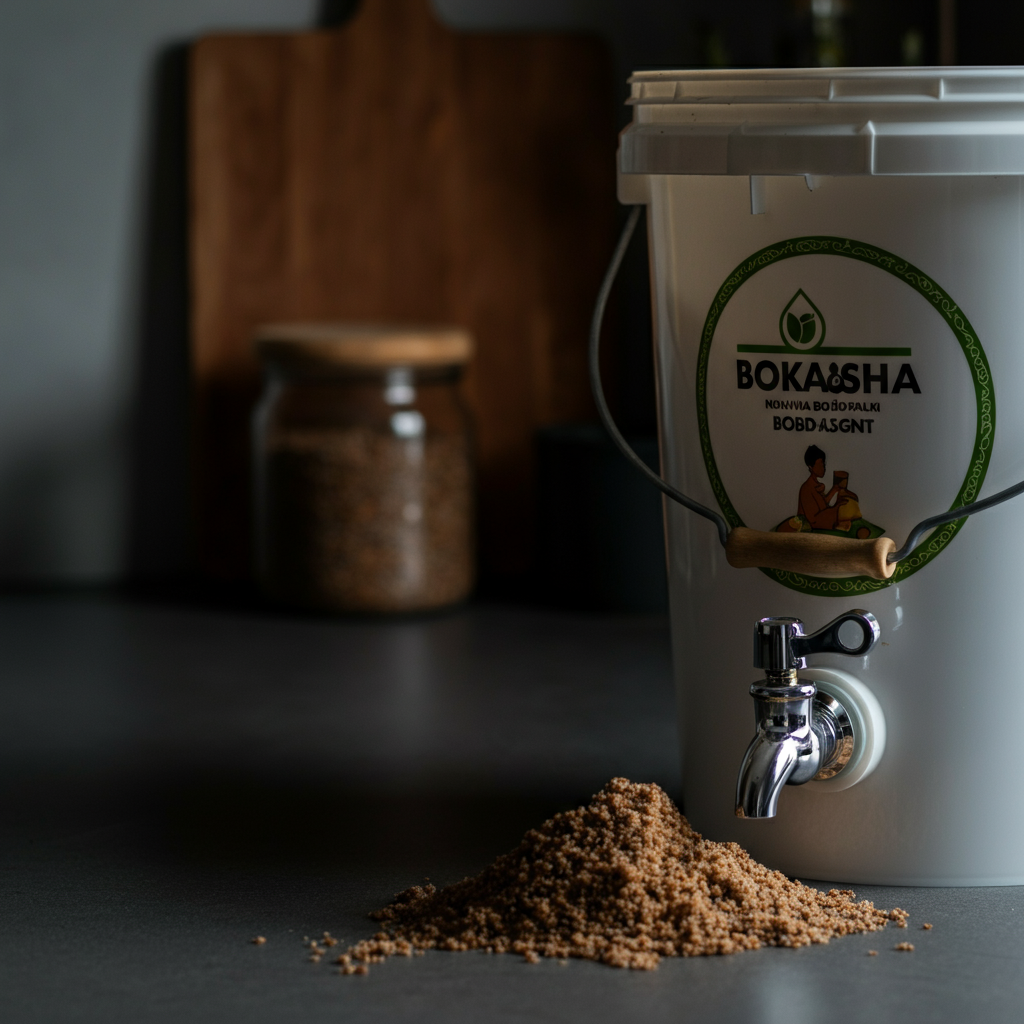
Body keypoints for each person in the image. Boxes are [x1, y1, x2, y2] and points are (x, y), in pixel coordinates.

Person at [798, 444, 841, 530]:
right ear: (811, 467)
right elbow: (813, 519)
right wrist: (836, 508)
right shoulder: (806, 488)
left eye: (823, 464)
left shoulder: (817, 485)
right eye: (820, 465)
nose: (823, 468)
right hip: (808, 527)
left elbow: (822, 504)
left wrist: (834, 490)